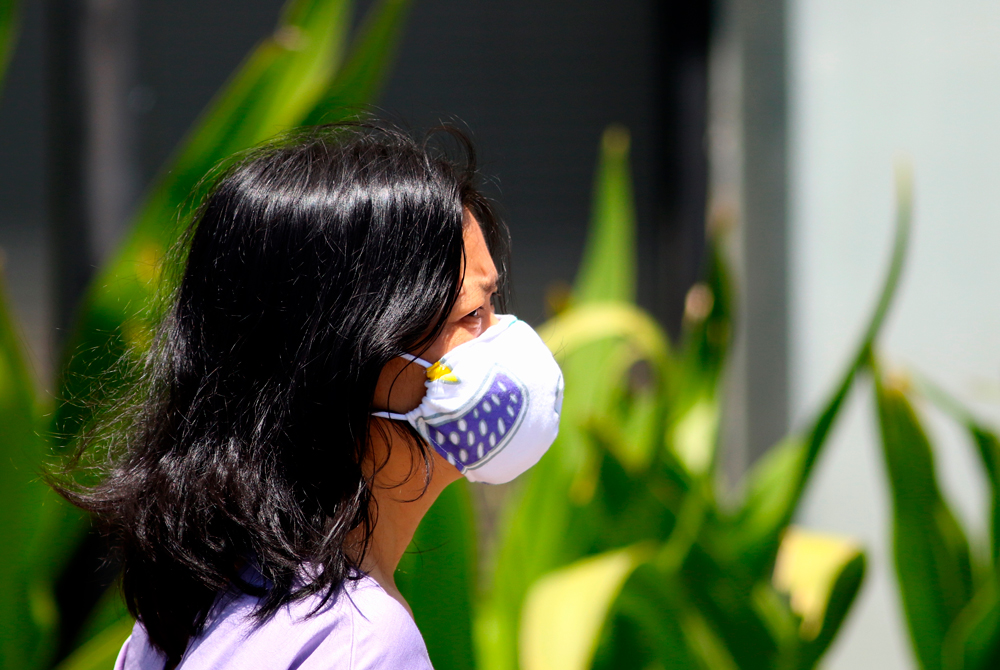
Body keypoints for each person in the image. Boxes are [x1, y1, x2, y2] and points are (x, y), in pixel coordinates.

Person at [56, 123, 564, 669]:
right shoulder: (361, 645)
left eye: (493, 305)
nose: (503, 339)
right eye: (471, 315)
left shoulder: (184, 617)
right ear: (350, 358)